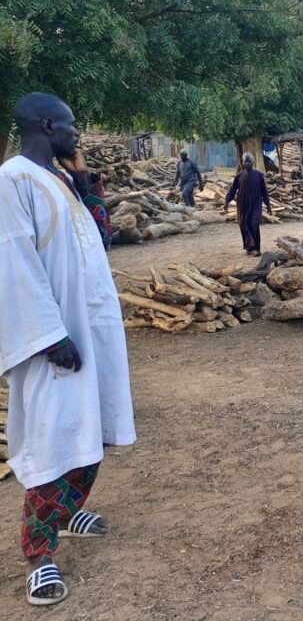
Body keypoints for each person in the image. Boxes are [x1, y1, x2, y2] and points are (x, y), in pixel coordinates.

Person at [0, 93, 136, 606]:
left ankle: (67, 511)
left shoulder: (57, 179)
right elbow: (12, 264)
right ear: (48, 123)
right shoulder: (10, 180)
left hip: (92, 327)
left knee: (92, 429)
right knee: (53, 439)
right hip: (52, 337)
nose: (78, 134)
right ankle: (40, 555)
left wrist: (83, 180)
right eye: (73, 127)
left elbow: (99, 238)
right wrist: (50, 337)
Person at [223, 152, 272, 255]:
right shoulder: (239, 176)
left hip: (255, 204)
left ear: (253, 162)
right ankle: (249, 247)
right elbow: (232, 190)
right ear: (243, 163)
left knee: (254, 224)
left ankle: (257, 248)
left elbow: (264, 191)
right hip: (242, 204)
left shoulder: (259, 175)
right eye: (245, 162)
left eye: (249, 161)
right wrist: (227, 201)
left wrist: (268, 205)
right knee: (243, 225)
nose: (247, 163)